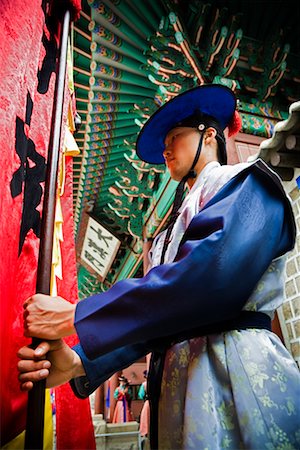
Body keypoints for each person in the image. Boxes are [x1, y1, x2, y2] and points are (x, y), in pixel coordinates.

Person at [18, 84, 300, 450]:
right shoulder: (171, 228)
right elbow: (163, 321)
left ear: (210, 133)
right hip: (181, 388)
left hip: (237, 371)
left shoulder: (247, 182)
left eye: (175, 136)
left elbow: (207, 280)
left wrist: (77, 315)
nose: (165, 149)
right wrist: (76, 361)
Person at [138, 370, 150, 440]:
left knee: (145, 416)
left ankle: (145, 431)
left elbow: (141, 395)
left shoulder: (144, 384)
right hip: (155, 402)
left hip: (147, 402)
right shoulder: (155, 383)